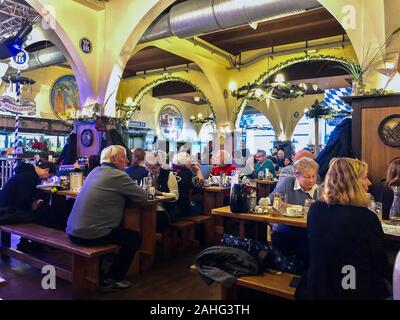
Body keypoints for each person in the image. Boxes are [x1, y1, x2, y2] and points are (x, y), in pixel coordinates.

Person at [295, 158, 388, 300]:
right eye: (364, 177)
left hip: (316, 287)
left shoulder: (315, 210)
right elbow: (379, 263)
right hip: (350, 290)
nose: (369, 182)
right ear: (353, 183)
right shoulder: (366, 218)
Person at [66, 145, 147, 291]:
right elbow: (143, 196)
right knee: (134, 238)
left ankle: (99, 271)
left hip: (72, 231)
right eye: (124, 157)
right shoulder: (118, 175)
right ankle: (113, 279)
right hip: (89, 234)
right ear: (114, 159)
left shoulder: (94, 171)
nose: (127, 160)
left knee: (109, 229)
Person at [269, 157, 320, 265]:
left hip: (308, 230)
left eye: (313, 176)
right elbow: (273, 198)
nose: (311, 180)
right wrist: (278, 203)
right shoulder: (288, 182)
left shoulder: (319, 190)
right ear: (297, 176)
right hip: (285, 228)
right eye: (307, 177)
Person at [0, 161, 57, 251]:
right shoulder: (32, 177)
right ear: (46, 170)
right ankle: (34, 244)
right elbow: (23, 201)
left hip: (4, 209)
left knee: (41, 208)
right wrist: (34, 205)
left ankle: (26, 243)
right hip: (7, 213)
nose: (46, 180)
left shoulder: (25, 173)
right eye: (49, 177)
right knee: (43, 215)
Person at [145, 151, 179, 232]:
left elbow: (175, 196)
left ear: (159, 165)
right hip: (149, 208)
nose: (151, 170)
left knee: (154, 220)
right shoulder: (146, 175)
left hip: (165, 209)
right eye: (148, 168)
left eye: (153, 168)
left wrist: (160, 193)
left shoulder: (168, 175)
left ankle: (156, 242)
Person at [173, 152, 204, 217]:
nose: (191, 163)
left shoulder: (171, 171)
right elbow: (200, 184)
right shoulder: (189, 174)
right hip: (185, 209)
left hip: (173, 207)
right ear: (186, 163)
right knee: (204, 204)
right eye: (190, 161)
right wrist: (198, 169)